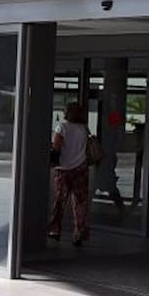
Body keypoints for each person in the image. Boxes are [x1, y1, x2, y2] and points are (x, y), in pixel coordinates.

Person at [48, 102, 91, 245]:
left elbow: (56, 148)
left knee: (60, 201)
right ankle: (79, 233)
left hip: (64, 169)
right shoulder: (84, 128)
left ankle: (55, 230)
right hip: (81, 169)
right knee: (80, 202)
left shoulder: (62, 127)